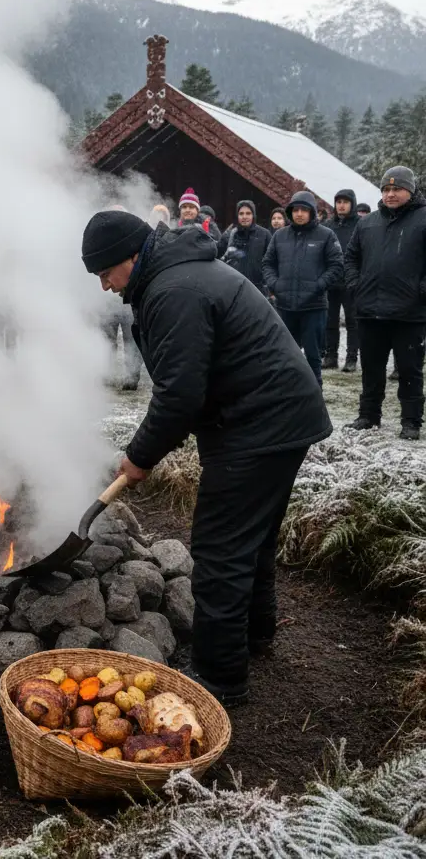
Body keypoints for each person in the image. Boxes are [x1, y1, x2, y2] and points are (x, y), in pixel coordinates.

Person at [80, 210, 331, 704]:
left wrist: (139, 456)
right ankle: (254, 634)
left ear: (131, 257)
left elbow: (179, 395)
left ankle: (218, 682)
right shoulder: (178, 275)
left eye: (105, 273)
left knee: (219, 551)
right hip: (271, 417)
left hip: (259, 423)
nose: (105, 287)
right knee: (251, 539)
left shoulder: (175, 290)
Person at [343, 166, 426, 440]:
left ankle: (411, 422)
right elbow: (351, 257)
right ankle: (368, 416)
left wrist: (419, 291)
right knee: (372, 368)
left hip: (409, 313)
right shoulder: (368, 223)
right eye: (386, 189)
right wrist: (356, 285)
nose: (390, 194)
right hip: (370, 310)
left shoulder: (423, 219)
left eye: (397, 189)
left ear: (410, 191)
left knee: (410, 370)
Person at [261, 190, 343, 386]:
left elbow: (337, 266)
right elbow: (267, 264)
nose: (299, 214)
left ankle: (315, 398)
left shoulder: (326, 235)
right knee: (285, 356)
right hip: (285, 307)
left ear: (312, 212)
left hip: (313, 308)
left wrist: (319, 285)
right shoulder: (280, 236)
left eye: (304, 210)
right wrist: (275, 284)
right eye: (295, 210)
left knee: (313, 358)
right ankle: (287, 395)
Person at [323, 189, 360, 373]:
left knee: (353, 321)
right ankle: (331, 356)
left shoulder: (360, 225)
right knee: (330, 320)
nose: (342, 205)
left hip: (351, 282)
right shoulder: (328, 226)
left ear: (352, 204)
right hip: (331, 281)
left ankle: (352, 357)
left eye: (345, 201)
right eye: (338, 202)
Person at [218, 200, 271, 294]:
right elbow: (218, 257)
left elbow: (271, 262)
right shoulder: (230, 235)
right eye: (241, 213)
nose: (244, 217)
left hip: (258, 290)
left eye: (248, 213)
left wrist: (267, 284)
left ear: (253, 215)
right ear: (237, 216)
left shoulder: (264, 235)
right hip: (234, 288)